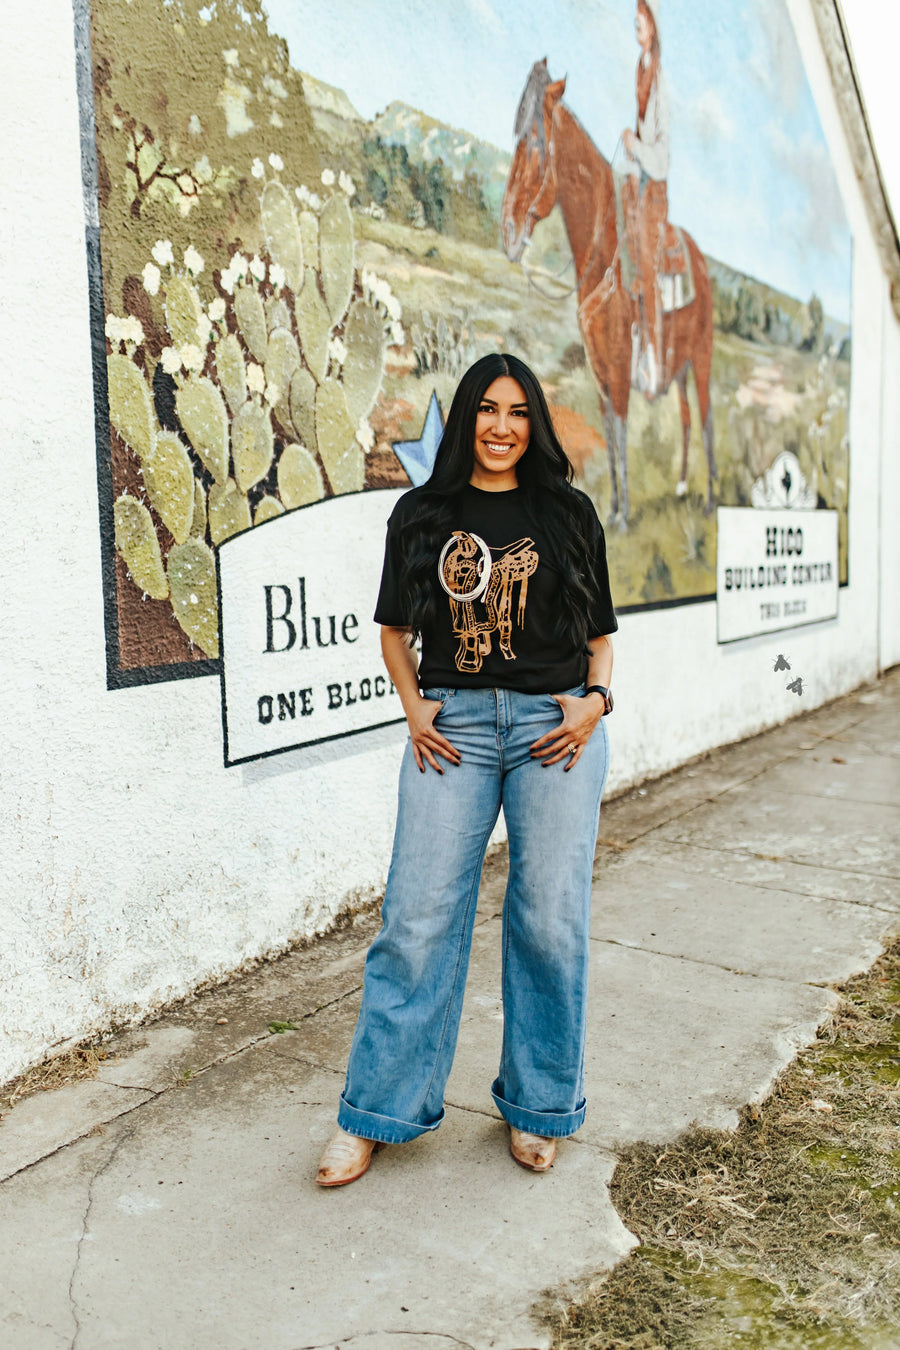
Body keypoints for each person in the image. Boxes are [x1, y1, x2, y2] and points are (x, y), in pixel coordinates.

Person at [315, 352, 617, 1186]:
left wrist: (595, 703)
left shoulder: (567, 513)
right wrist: (414, 708)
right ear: (467, 419)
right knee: (415, 919)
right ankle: (375, 1113)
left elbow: (599, 637)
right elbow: (394, 633)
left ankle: (540, 1107)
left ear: (534, 424)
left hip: (556, 729)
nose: (501, 427)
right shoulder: (423, 514)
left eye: (517, 412)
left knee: (550, 920)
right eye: (487, 409)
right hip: (454, 731)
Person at [621, 0, 669, 397]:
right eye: (634, 23)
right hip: (638, 181)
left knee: (648, 268)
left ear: (652, 27)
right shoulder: (642, 70)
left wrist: (635, 145)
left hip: (655, 189)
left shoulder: (659, 82)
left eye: (641, 23)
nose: (636, 28)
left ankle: (653, 358)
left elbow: (661, 158)